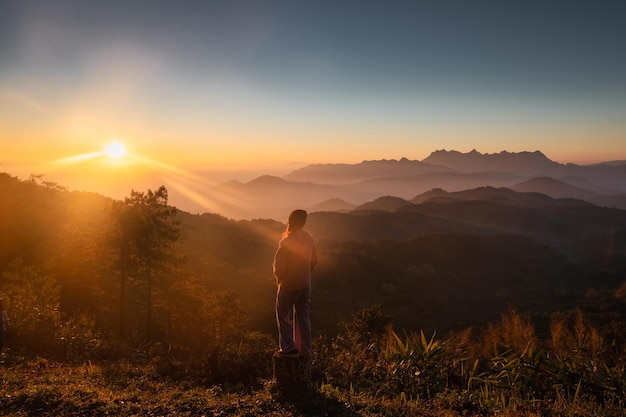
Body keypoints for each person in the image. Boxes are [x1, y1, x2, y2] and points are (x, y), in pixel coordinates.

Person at [273, 209, 318, 359]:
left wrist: (280, 276)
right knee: (303, 317)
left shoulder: (286, 243)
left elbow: (279, 269)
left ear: (290, 221)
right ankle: (305, 350)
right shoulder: (309, 238)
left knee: (282, 314)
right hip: (305, 284)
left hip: (288, 286)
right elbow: (314, 261)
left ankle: (288, 347)